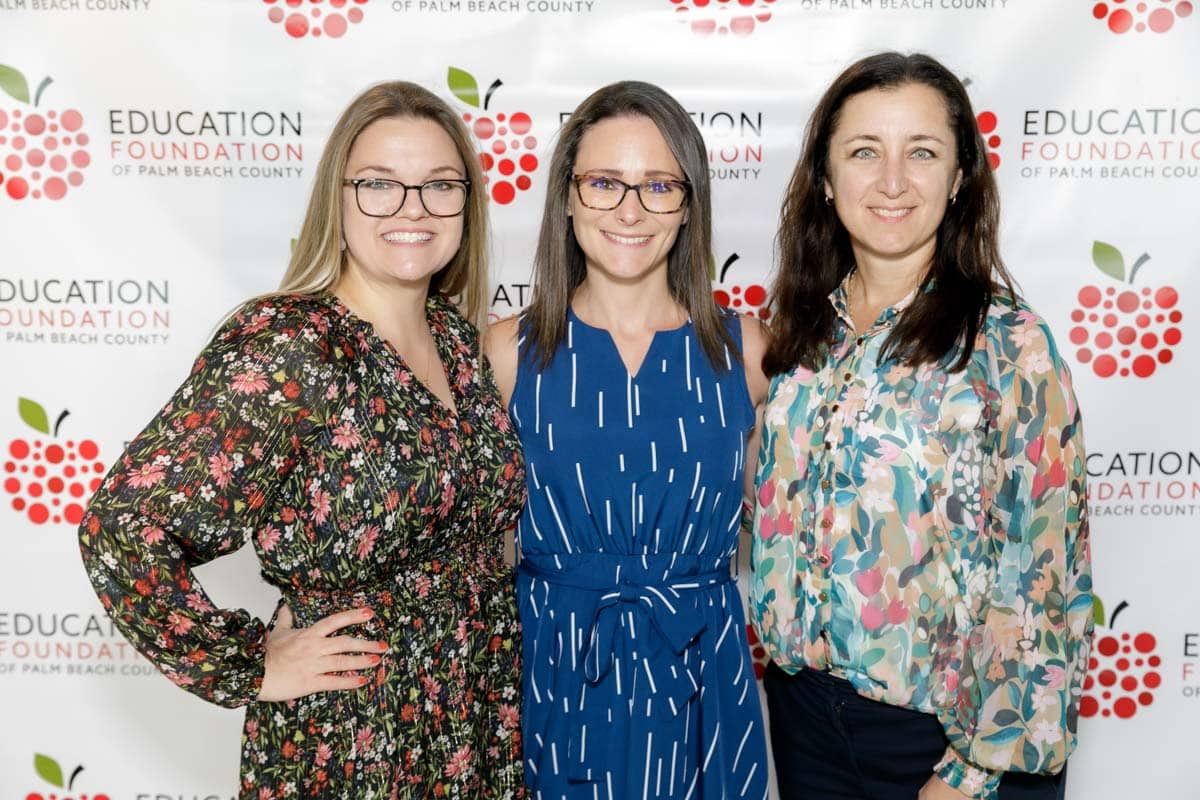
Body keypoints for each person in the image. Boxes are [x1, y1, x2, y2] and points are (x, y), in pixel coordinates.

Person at [78, 82, 526, 799]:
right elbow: (123, 526)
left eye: (440, 185)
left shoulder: (457, 340)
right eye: (380, 184)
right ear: (337, 201)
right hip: (355, 731)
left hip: (477, 712)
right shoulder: (291, 346)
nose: (412, 208)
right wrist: (251, 663)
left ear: (466, 204)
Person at [750, 52, 1093, 800]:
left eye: (923, 152)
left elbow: (1041, 575)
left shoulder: (1009, 344)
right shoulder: (803, 334)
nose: (893, 181)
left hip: (952, 743)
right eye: (864, 151)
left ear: (960, 176)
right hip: (806, 721)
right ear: (825, 176)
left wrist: (971, 772)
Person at [485, 81, 771, 799]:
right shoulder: (506, 353)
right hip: (553, 667)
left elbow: (800, 528)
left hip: (702, 673)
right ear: (568, 196)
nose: (631, 210)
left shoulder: (748, 351)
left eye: (659, 186)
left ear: (690, 204)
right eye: (605, 182)